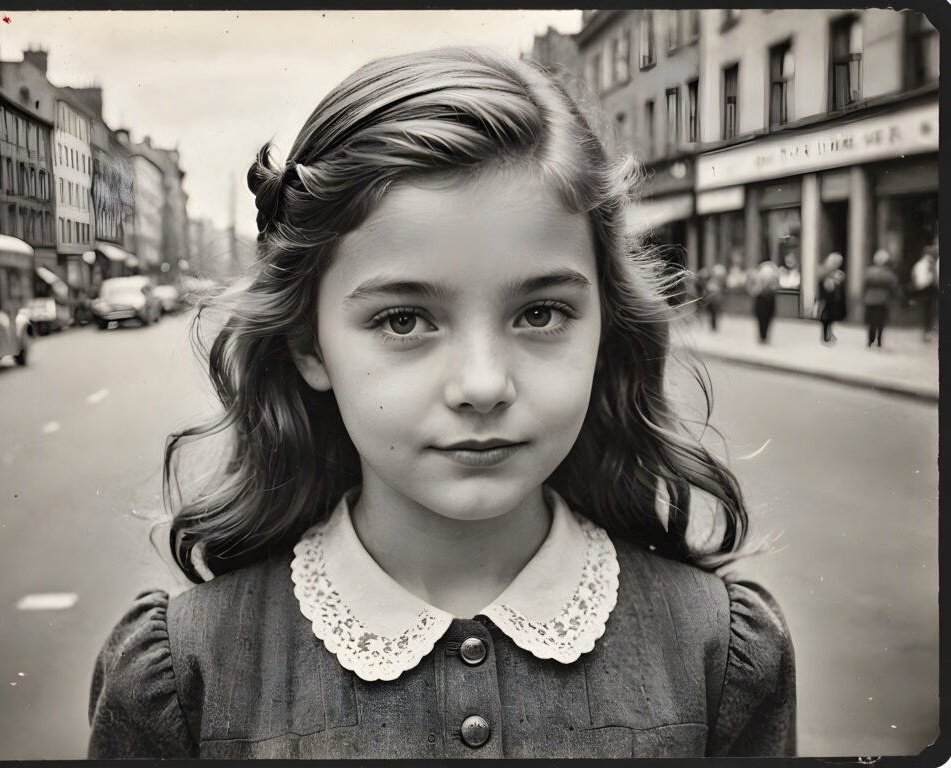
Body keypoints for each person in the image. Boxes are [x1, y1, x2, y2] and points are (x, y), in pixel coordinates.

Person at [87, 48, 796, 760]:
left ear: (606, 326)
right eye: (404, 320)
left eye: (541, 313)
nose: (483, 385)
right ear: (308, 344)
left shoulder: (718, 654)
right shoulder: (188, 676)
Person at [863, 250, 899, 349]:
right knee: (880, 321)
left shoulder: (869, 271)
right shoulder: (889, 274)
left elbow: (865, 285)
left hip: (870, 299)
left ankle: (870, 341)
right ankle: (879, 341)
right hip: (883, 300)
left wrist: (865, 295)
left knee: (871, 321)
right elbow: (893, 287)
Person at [816, 251, 846, 345]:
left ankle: (828, 333)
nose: (840, 264)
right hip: (827, 298)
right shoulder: (826, 271)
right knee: (826, 317)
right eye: (839, 262)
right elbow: (826, 286)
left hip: (832, 298)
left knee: (830, 317)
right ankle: (826, 336)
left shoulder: (833, 271)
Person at [748, 259, 780, 343]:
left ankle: (763, 336)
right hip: (766, 298)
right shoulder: (772, 272)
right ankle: (763, 336)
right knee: (765, 318)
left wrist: (755, 291)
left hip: (763, 298)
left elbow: (751, 288)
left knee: (763, 319)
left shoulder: (759, 273)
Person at [911, 244, 939, 341]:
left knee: (928, 312)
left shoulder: (921, 264)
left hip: (925, 289)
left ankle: (926, 331)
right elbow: (923, 280)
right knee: (927, 312)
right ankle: (926, 332)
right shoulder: (925, 265)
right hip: (926, 290)